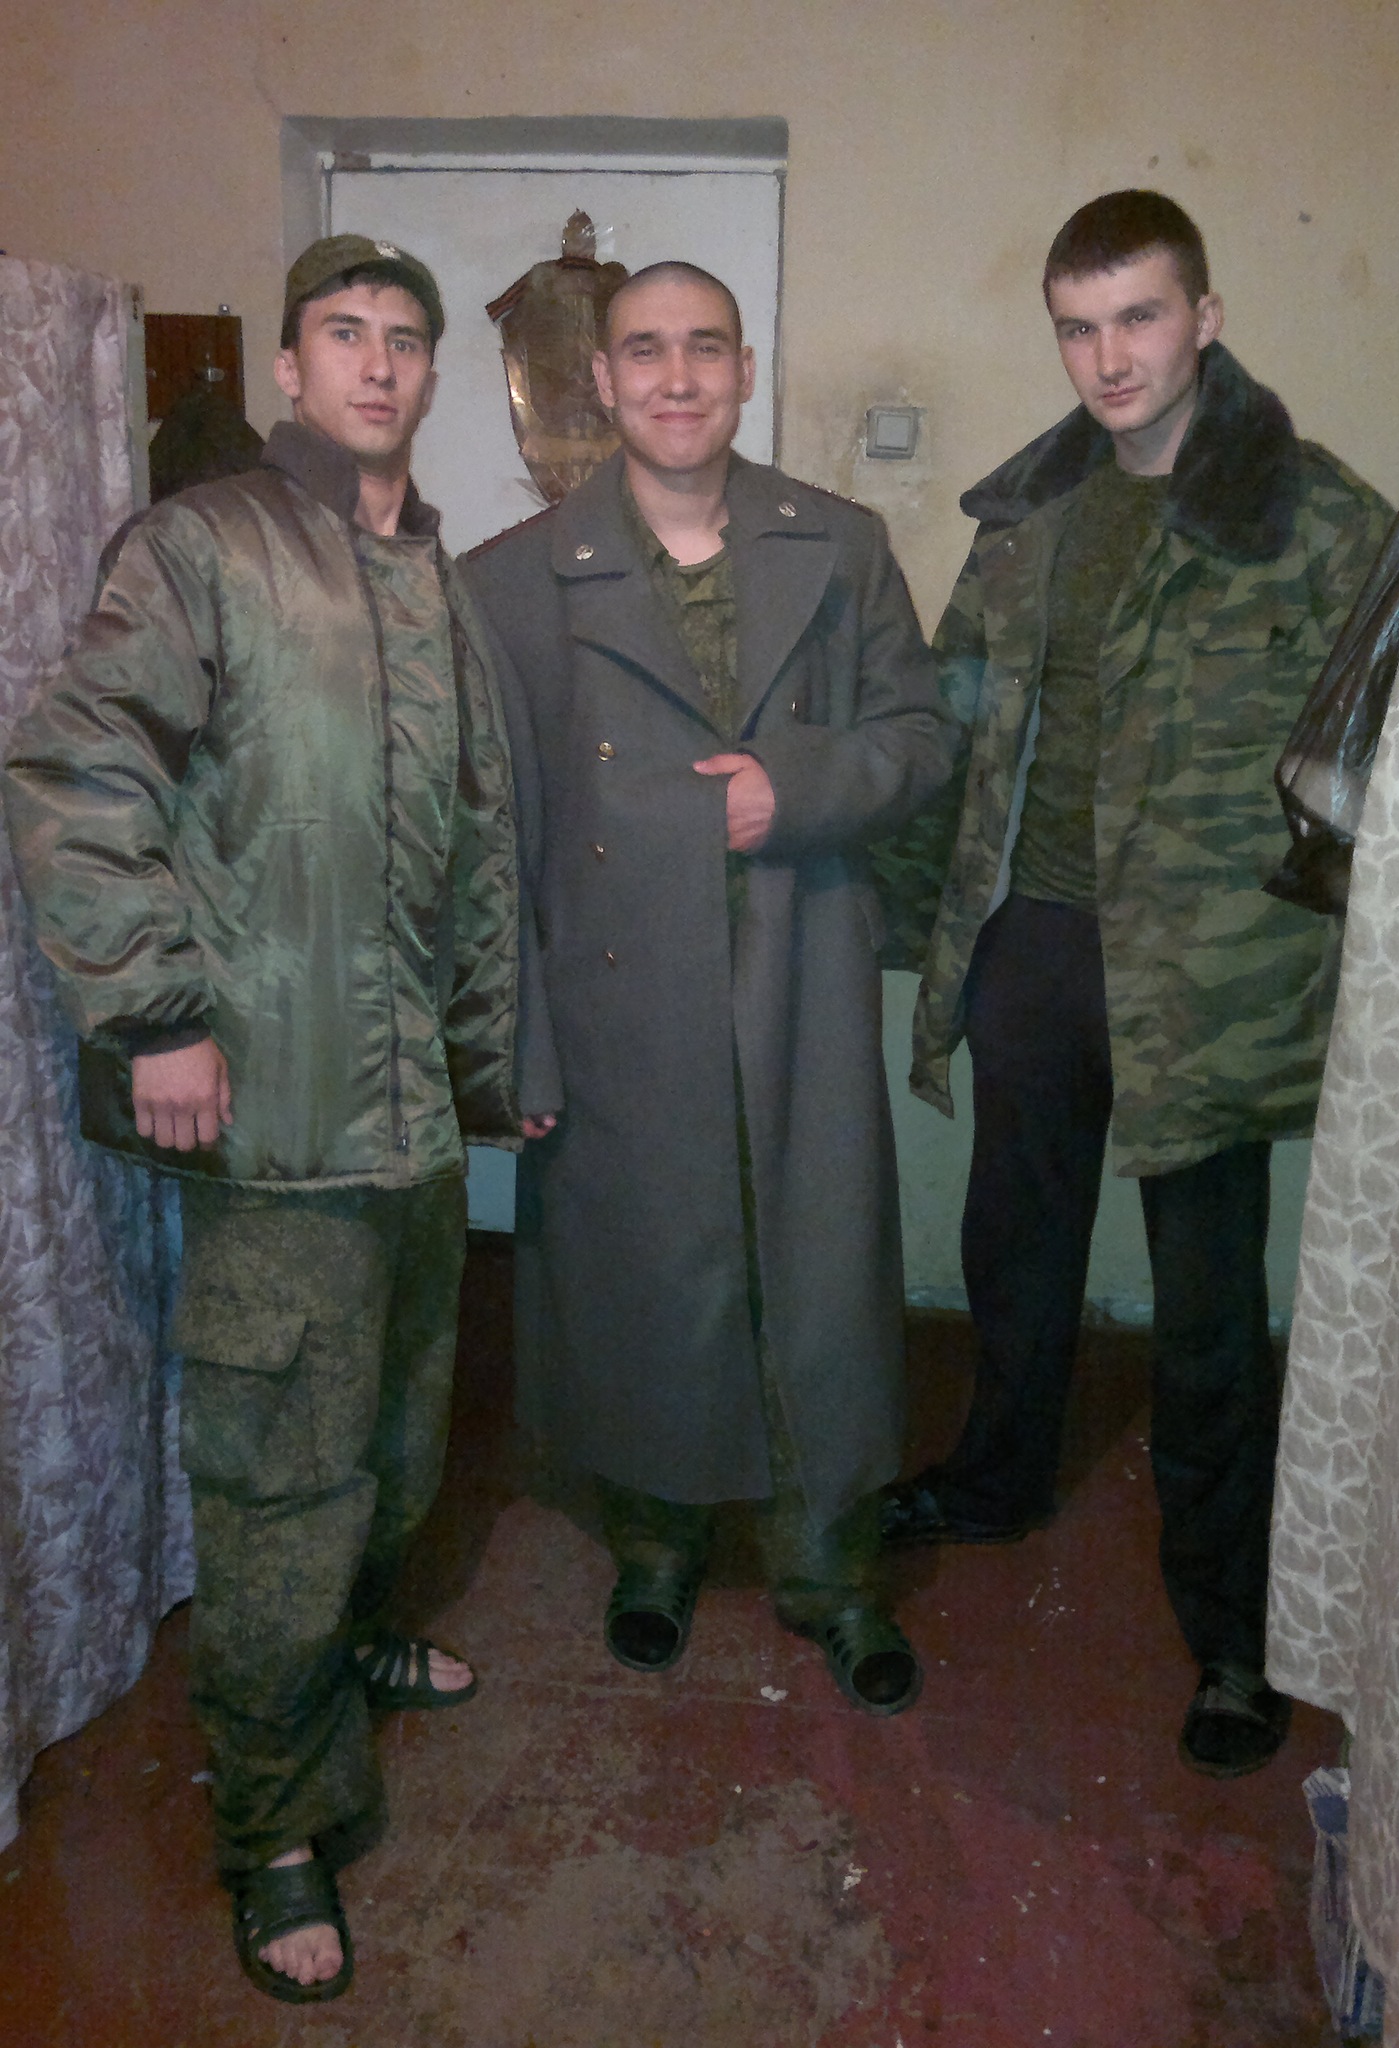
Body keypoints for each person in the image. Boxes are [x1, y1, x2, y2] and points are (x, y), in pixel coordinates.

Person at [4, 234, 526, 2001]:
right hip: (279, 1126)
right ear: (290, 368)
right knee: (280, 1482)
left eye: (405, 338)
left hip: (410, 1128)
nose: (378, 363)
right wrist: (152, 1010)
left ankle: (355, 1651)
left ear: (430, 374)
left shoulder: (432, 575)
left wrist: (487, 1066)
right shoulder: (205, 545)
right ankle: (278, 1824)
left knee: (396, 1440)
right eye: (343, 334)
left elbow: (468, 850)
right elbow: (78, 770)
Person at [876, 191, 1391, 1777]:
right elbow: (955, 717)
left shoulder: (1312, 517)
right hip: (1035, 940)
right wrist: (914, 926)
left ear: (1205, 319)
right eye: (1079, 328)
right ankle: (997, 1478)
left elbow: (1392, 755)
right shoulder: (1029, 516)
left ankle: (1232, 1630)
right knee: (1015, 1244)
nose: (1109, 358)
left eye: (1140, 318)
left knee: (1211, 1310)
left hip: (1206, 969)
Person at [462, 261, 955, 1718]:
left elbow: (922, 738)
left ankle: (830, 1569)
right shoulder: (511, 580)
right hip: (614, 995)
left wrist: (794, 789)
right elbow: (494, 840)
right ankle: (657, 1545)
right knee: (643, 1274)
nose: (676, 378)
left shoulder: (842, 543)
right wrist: (515, 1044)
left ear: (746, 368)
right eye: (644, 352)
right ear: (602, 381)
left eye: (704, 349)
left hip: (801, 965)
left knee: (818, 1275)